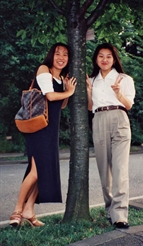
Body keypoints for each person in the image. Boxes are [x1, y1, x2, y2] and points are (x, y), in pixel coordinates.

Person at [9, 43, 77, 227]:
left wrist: (66, 90)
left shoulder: (60, 78)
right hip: (38, 129)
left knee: (43, 171)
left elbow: (60, 104)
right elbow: (49, 96)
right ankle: (17, 211)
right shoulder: (43, 69)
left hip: (51, 129)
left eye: (65, 54)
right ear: (51, 56)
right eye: (58, 53)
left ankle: (29, 209)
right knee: (35, 172)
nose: (61, 57)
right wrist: (69, 91)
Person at [86, 43, 135, 229]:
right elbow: (90, 107)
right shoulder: (93, 80)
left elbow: (128, 105)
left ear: (114, 59)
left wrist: (118, 94)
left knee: (120, 170)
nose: (104, 59)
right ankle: (110, 209)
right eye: (101, 56)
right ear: (96, 59)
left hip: (119, 118)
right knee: (104, 170)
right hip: (99, 119)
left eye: (108, 56)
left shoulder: (124, 79)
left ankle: (120, 214)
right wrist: (89, 91)